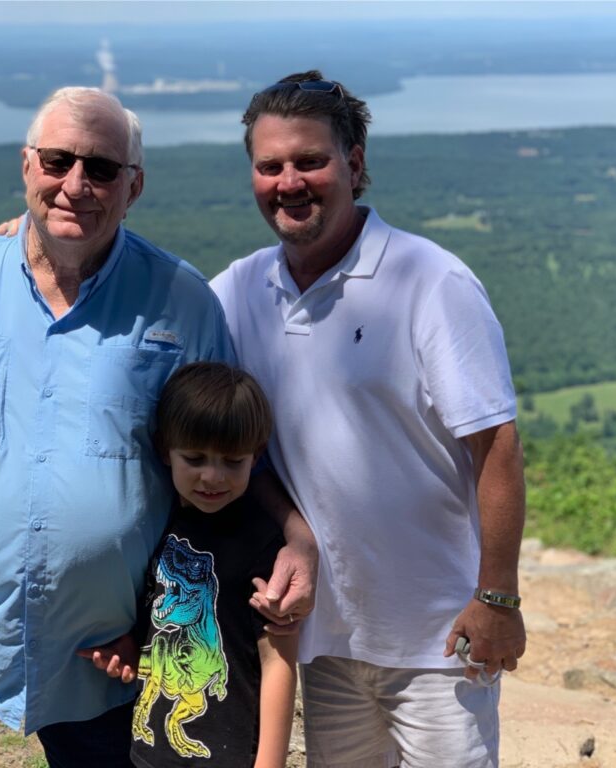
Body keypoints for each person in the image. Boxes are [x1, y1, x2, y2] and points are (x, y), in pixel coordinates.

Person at [0, 86, 314, 768]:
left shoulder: (182, 300)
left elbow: (229, 454)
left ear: (133, 187)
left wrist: (294, 535)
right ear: (28, 167)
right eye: (57, 161)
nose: (76, 184)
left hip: (105, 646)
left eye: (101, 168)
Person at [209, 72, 527, 767]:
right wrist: (25, 238)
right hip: (326, 635)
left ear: (354, 164)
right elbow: (150, 314)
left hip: (442, 637)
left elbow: (496, 444)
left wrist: (498, 598)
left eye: (310, 161)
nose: (289, 182)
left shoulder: (430, 281)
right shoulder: (239, 289)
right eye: (269, 166)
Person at [81, 362, 298, 767]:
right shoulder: (154, 526)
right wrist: (130, 649)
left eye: (233, 461)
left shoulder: (264, 543)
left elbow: (278, 661)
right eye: (195, 458)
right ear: (165, 450)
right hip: (147, 755)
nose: (212, 476)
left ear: (256, 455)